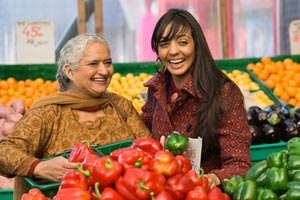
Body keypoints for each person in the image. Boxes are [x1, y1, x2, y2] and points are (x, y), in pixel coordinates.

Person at [0, 33, 151, 199]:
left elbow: (147, 149)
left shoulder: (120, 106)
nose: (104, 70)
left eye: (107, 63)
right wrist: (40, 167)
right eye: (93, 63)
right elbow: (5, 151)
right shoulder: (48, 112)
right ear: (69, 71)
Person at [141, 8, 252, 188]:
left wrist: (212, 179)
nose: (173, 51)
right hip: (160, 190)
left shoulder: (223, 93)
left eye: (183, 42)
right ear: (157, 50)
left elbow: (240, 165)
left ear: (196, 45)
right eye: (164, 44)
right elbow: (141, 135)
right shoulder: (156, 90)